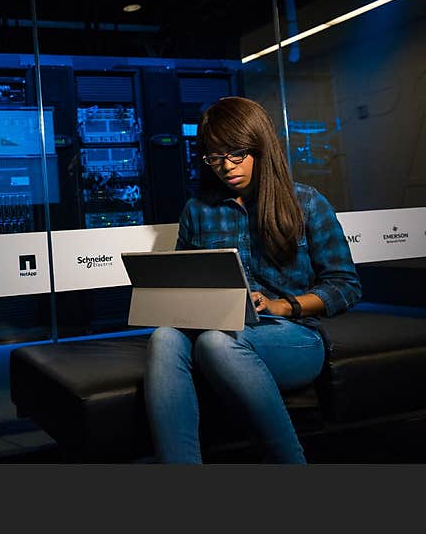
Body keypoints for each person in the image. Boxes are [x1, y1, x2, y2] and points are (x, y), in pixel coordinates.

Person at [143, 97, 361, 463]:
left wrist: (281, 305)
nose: (225, 167)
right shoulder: (198, 210)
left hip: (292, 335)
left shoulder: (306, 203)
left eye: (236, 154)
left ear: (260, 148)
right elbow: (185, 284)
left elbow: (345, 285)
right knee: (164, 336)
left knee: (216, 344)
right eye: (214, 157)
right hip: (220, 330)